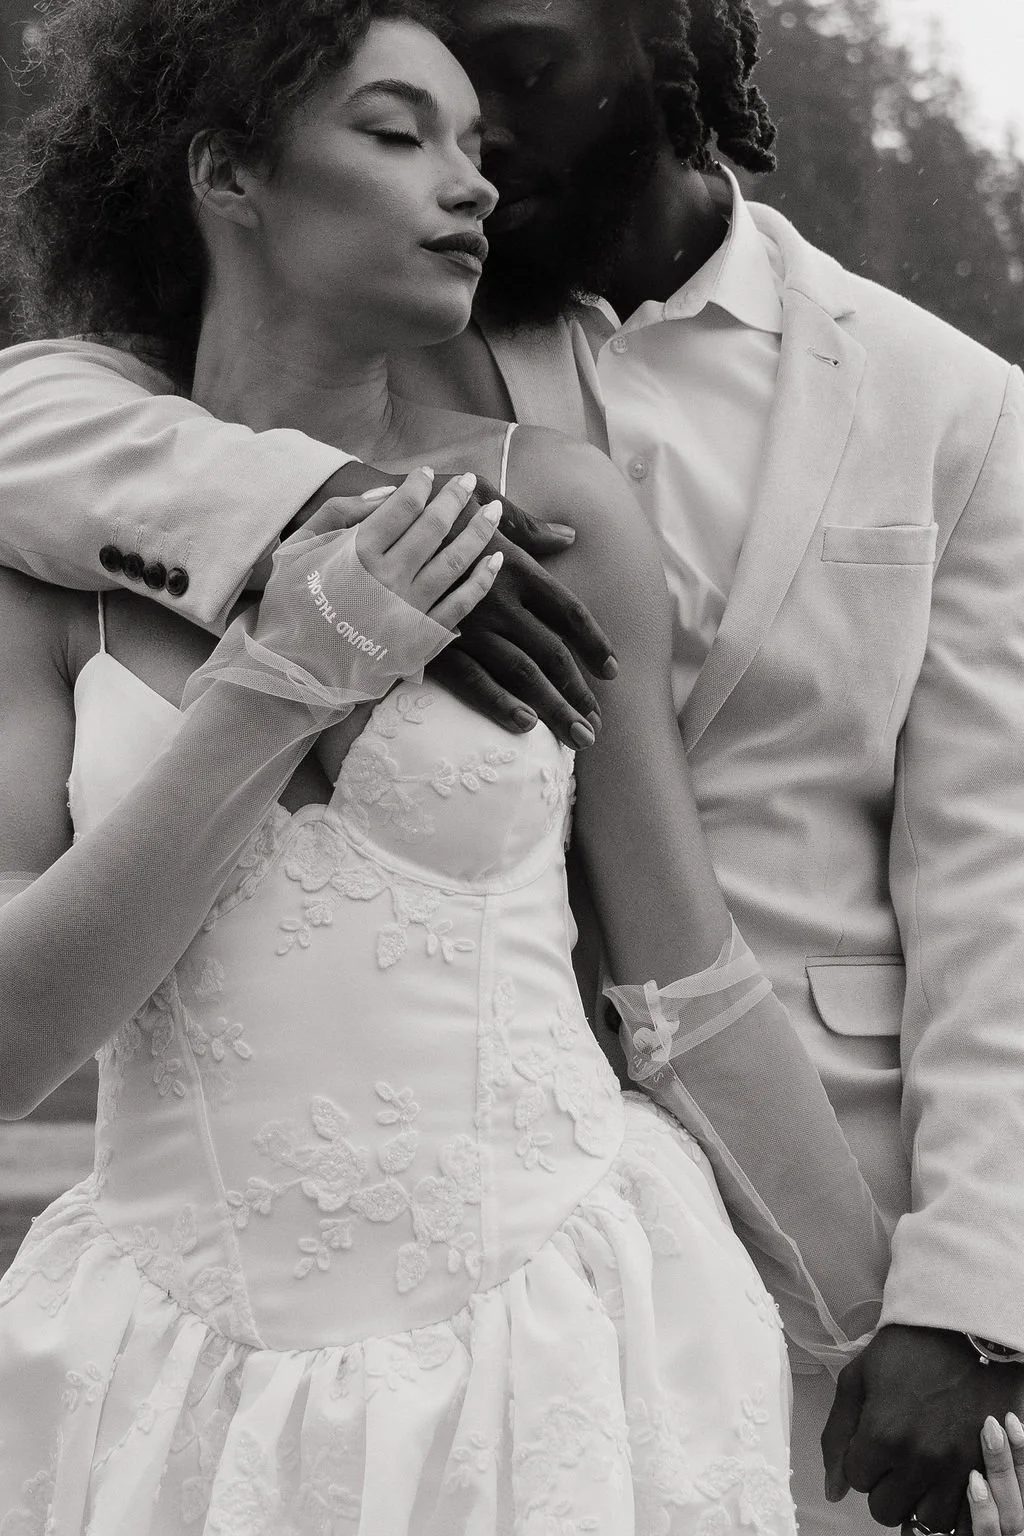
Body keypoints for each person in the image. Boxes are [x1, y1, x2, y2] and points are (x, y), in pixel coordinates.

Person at [0, 0, 1022, 1531]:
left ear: (658, 61)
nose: (474, 174)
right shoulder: (88, 482)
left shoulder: (911, 412)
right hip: (176, 1345)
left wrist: (944, 1308)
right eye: (409, 132)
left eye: (495, 110)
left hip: (612, 1286)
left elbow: (958, 890)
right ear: (227, 172)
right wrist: (302, 596)